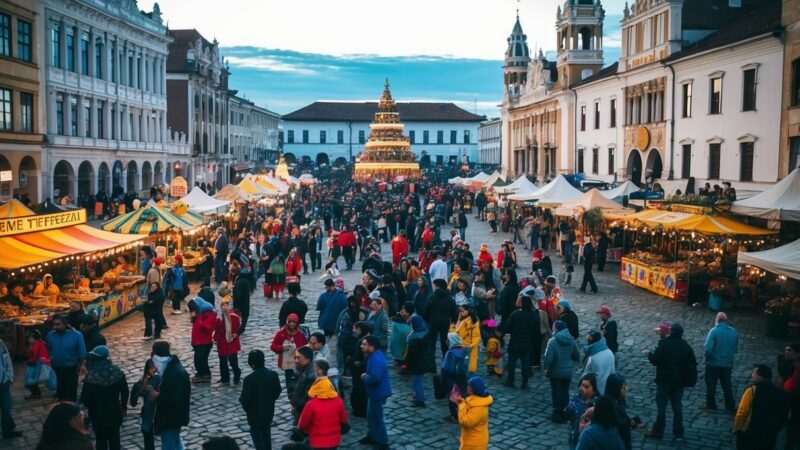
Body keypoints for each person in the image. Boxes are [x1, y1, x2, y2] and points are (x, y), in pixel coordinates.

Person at [645, 323, 697, 441]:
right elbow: (692, 364)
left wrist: (649, 355)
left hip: (664, 380)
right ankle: (678, 432)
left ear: (671, 331)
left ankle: (658, 430)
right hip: (679, 382)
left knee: (662, 407)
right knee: (677, 406)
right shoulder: (686, 346)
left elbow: (655, 360)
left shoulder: (664, 344)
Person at [80, 345, 129, 450]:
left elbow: (85, 399)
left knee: (100, 441)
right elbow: (125, 392)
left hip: (97, 415)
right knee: (115, 440)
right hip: (114, 413)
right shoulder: (118, 373)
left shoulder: (91, 376)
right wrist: (123, 407)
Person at [733, 364, 789, 450]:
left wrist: (736, 428)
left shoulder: (752, 390)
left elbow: (741, 412)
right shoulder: (781, 393)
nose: (752, 375)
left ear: (761, 375)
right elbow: (784, 414)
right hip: (769, 435)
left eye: (754, 372)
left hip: (750, 433)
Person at [297, 361, 350, 450]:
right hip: (334, 442)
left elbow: (302, 425)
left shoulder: (311, 405)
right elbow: (344, 420)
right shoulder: (338, 402)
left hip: (317, 442)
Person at [150, 340, 191, 450]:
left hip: (171, 416)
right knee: (176, 442)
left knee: (169, 445)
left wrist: (156, 395)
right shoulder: (172, 367)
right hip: (173, 415)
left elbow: (173, 399)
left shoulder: (174, 373)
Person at [240, 350, 282, 450]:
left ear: (252, 364)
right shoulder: (273, 374)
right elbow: (277, 390)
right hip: (268, 411)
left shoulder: (249, 379)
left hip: (255, 414)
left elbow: (245, 399)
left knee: (258, 438)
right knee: (267, 434)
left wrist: (249, 409)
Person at [700, 312, 738, 413]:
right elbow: (735, 348)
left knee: (711, 385)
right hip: (727, 363)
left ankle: (711, 404)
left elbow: (708, 349)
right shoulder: (734, 331)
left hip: (713, 363)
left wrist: (707, 358)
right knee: (727, 385)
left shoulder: (714, 331)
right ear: (726, 320)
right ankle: (730, 405)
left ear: (717, 320)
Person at [544, 320, 580, 423]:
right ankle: (565, 412)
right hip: (567, 372)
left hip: (555, 372)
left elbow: (548, 358)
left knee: (556, 392)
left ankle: (557, 413)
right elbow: (577, 355)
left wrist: (547, 368)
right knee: (565, 391)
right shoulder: (571, 340)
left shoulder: (553, 341)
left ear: (556, 328)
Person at [360, 335, 392, 450]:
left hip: (377, 393)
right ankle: (372, 436)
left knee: (377, 418)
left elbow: (375, 378)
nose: (361, 346)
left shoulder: (376, 359)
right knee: (371, 417)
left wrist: (364, 377)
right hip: (374, 393)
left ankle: (383, 442)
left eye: (364, 345)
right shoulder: (374, 356)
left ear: (372, 347)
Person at [46, 315, 87, 402]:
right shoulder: (51, 335)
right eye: (54, 325)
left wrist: (83, 365)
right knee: (60, 386)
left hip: (72, 366)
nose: (55, 327)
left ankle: (71, 406)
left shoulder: (77, 335)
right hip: (57, 366)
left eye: (58, 324)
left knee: (71, 388)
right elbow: (49, 349)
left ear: (65, 324)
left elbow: (82, 352)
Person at [503, 296, 538, 390]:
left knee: (512, 362)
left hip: (515, 342)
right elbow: (536, 331)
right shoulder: (533, 316)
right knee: (526, 363)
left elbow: (507, 328)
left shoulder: (515, 314)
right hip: (527, 343)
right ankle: (524, 383)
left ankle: (510, 380)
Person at [451, 376, 493, 450]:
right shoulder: (475, 400)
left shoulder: (479, 408)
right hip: (471, 441)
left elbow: (466, 422)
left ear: (474, 389)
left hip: (474, 444)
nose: (467, 386)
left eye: (469, 385)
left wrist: (460, 404)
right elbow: (468, 407)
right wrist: (461, 401)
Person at [271, 313, 308, 394]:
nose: (291, 323)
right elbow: (273, 346)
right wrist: (283, 348)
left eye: (294, 322)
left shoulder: (300, 333)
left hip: (299, 362)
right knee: (290, 385)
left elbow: (305, 347)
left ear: (297, 323)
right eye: (290, 321)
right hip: (287, 363)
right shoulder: (281, 333)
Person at [130, 359, 162, 450]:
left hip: (150, 413)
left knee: (147, 435)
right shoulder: (157, 379)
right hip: (152, 413)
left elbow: (133, 402)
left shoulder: (144, 382)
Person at [424, 278, 458, 358]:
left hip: (433, 322)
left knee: (431, 344)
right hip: (445, 322)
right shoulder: (450, 298)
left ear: (438, 287)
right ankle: (446, 363)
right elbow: (454, 313)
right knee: (445, 344)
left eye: (434, 286)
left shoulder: (431, 297)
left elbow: (425, 311)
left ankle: (431, 366)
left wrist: (428, 320)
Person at [604, 374, 639, 450]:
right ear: (616, 389)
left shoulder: (619, 401)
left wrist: (630, 421)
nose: (627, 389)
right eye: (623, 388)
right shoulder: (609, 407)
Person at [566, 373, 599, 450]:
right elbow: (567, 413)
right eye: (581, 385)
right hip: (574, 435)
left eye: (586, 387)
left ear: (594, 389)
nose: (582, 389)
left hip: (589, 439)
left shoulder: (598, 403)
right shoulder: (576, 398)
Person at [187, 297, 217, 383]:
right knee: (197, 360)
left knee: (201, 360)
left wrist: (199, 317)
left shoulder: (211, 314)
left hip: (205, 342)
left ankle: (205, 374)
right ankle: (200, 373)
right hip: (197, 342)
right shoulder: (198, 313)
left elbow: (208, 328)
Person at [406, 315, 432, 407]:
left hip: (416, 364)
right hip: (423, 362)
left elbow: (410, 354)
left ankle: (420, 400)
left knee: (416, 382)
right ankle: (417, 397)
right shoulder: (426, 333)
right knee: (419, 381)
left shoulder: (413, 338)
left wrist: (406, 364)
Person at [214, 301, 242, 384]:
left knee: (233, 360)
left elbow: (238, 328)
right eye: (223, 306)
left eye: (226, 306)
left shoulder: (234, 317)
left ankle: (236, 375)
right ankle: (225, 377)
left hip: (232, 341)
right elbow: (217, 330)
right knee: (223, 360)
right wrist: (216, 338)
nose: (225, 308)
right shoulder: (219, 318)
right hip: (222, 341)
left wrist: (235, 334)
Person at [583, 330, 615, 395]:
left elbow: (588, 373)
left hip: (597, 390)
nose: (587, 337)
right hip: (608, 387)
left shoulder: (593, 357)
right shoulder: (609, 352)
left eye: (589, 335)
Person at [0, 338, 21, 439]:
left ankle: (8, 431)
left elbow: (6, 359)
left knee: (6, 407)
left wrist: (9, 376)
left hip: (2, 382)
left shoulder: (0, 343)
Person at [23, 329, 49, 400]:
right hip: (34, 364)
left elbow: (36, 356)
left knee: (29, 381)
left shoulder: (37, 345)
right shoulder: (34, 344)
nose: (29, 339)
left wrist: (30, 360)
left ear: (33, 338)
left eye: (30, 337)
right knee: (30, 381)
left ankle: (36, 393)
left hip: (35, 365)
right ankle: (36, 393)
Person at [456, 305, 480, 375]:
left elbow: (458, 333)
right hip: (469, 345)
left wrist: (458, 319)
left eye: (462, 311)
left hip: (466, 346)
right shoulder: (472, 320)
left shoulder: (467, 321)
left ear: (467, 311)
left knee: (464, 368)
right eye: (460, 311)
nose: (460, 313)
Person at [230, 260, 251, 335]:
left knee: (240, 322)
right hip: (245, 304)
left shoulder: (239, 282)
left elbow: (238, 296)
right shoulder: (244, 280)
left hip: (240, 305)